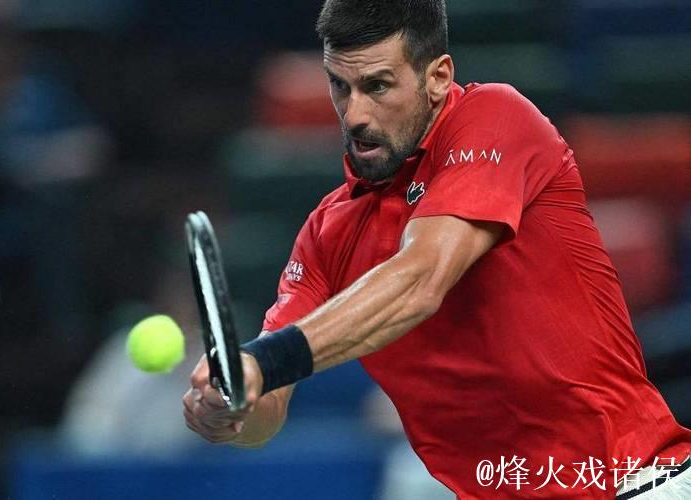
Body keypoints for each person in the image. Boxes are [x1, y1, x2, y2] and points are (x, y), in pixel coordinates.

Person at [183, 1, 691, 498]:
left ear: (438, 77)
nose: (355, 114)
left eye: (377, 86)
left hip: (635, 482)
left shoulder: (498, 118)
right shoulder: (325, 234)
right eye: (340, 86)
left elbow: (421, 279)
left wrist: (262, 360)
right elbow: (267, 410)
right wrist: (232, 407)